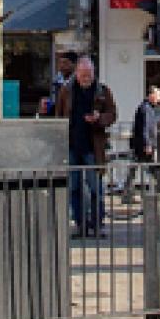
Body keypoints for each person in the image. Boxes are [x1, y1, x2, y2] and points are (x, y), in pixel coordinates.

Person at [59, 54, 118, 237]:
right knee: (74, 187)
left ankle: (97, 224)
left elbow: (113, 113)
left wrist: (100, 119)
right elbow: (59, 114)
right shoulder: (66, 91)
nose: (86, 78)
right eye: (83, 74)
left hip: (93, 146)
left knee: (95, 188)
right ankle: (81, 224)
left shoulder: (102, 91)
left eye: (89, 74)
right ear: (76, 73)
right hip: (72, 145)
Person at [127, 82, 160, 198]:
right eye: (157, 95)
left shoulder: (149, 108)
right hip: (142, 145)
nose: (159, 98)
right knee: (151, 167)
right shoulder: (146, 109)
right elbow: (145, 127)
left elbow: (152, 127)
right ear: (151, 95)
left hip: (141, 144)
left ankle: (128, 192)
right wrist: (148, 144)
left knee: (135, 167)